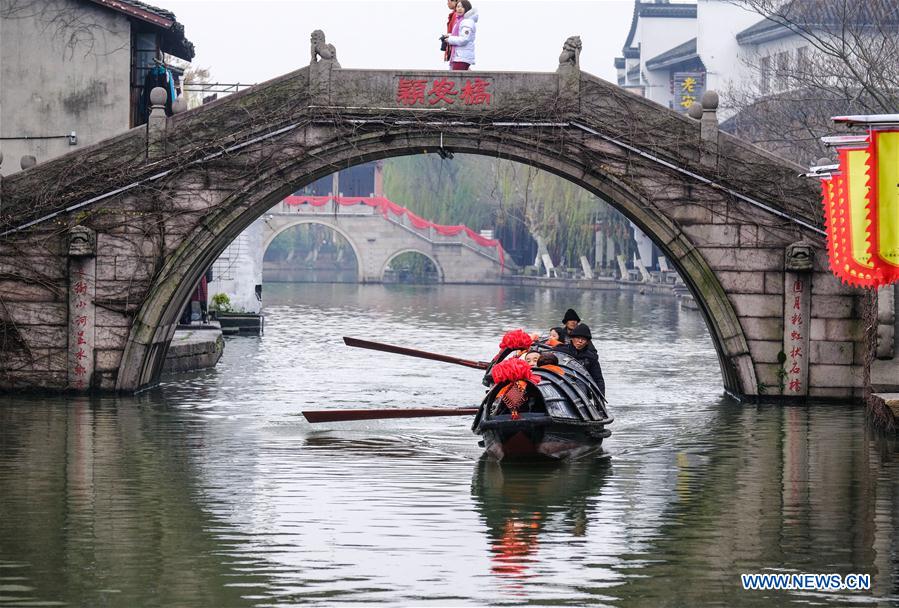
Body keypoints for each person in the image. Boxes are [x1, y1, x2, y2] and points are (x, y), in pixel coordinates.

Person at [555, 324, 605, 395]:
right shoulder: (560, 351)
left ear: (587, 342)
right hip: (561, 382)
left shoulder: (591, 357)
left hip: (582, 387)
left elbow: (598, 379)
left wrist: (601, 398)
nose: (580, 341)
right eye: (578, 338)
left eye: (583, 339)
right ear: (572, 338)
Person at [441, 0, 477, 71]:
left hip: (462, 57)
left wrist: (449, 40)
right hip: (459, 56)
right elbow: (458, 35)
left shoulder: (467, 22)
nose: (459, 9)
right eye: (458, 7)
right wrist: (449, 36)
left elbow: (464, 39)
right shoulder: (460, 20)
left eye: (462, 7)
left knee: (456, 80)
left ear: (467, 9)